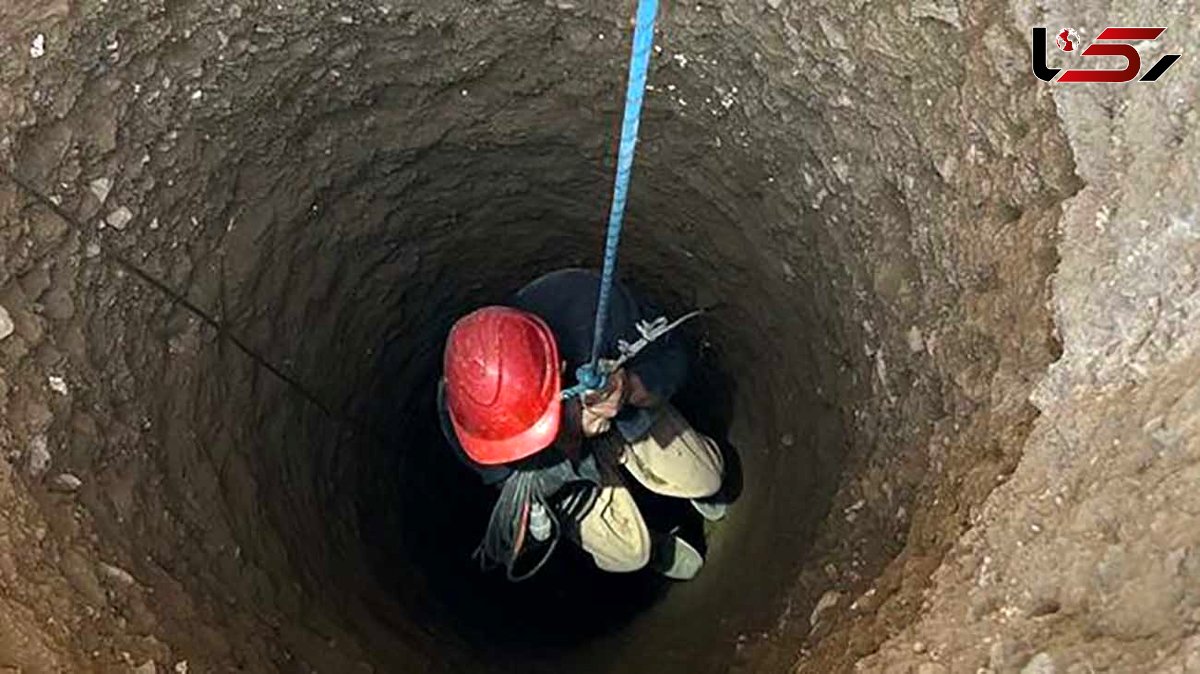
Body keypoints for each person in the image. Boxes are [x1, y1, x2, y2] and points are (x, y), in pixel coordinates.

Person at [437, 268, 727, 581]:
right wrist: (568, 450)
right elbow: (507, 482)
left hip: (626, 414)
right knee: (631, 555)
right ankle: (652, 548)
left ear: (560, 370)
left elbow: (673, 354)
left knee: (707, 479)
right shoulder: (471, 418)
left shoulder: (588, 307)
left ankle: (694, 485)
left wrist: (631, 386)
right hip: (561, 471)